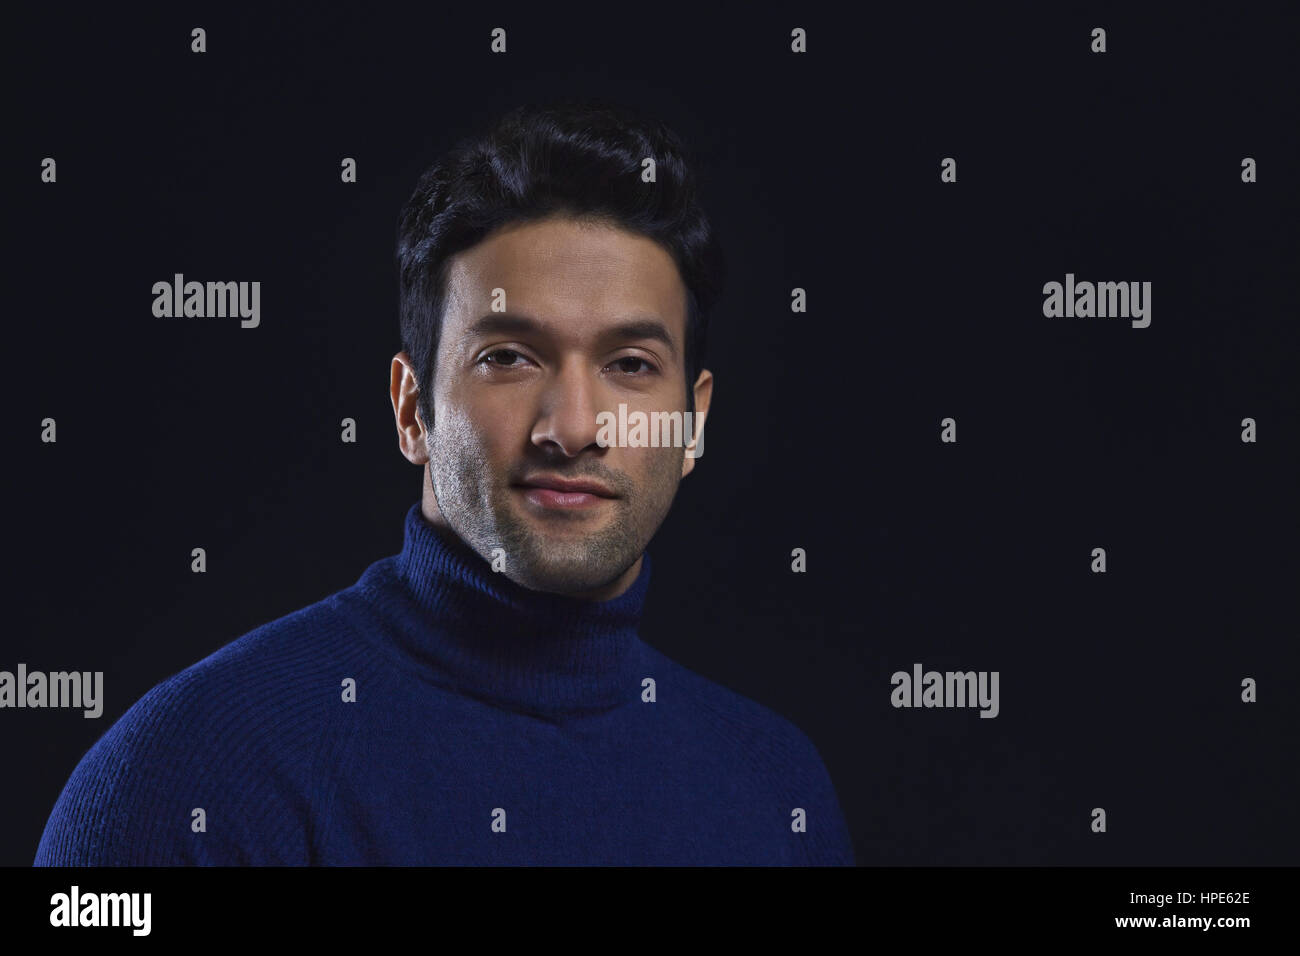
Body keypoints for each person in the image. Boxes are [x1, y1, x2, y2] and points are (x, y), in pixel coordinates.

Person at [34, 99, 855, 865]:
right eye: (507, 357)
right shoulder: (188, 779)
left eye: (629, 365)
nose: (571, 428)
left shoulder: (778, 791)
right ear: (412, 409)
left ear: (692, 424)